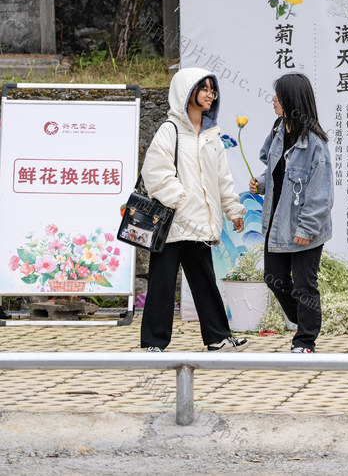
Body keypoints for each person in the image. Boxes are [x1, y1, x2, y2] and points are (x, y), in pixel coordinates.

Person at [140, 67, 248, 353]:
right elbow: (154, 172)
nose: (210, 95)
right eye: (204, 89)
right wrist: (180, 198)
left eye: (213, 90)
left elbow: (222, 179)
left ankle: (218, 338)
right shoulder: (170, 130)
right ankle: (154, 343)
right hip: (173, 223)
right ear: (187, 92)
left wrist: (233, 210)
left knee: (205, 281)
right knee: (162, 283)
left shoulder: (213, 135)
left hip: (200, 224)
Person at [250, 73, 333, 354]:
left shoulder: (315, 144)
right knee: (273, 278)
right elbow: (275, 169)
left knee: (304, 284)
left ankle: (305, 341)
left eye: (279, 96)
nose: (273, 100)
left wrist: (306, 229)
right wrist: (261, 183)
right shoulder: (277, 130)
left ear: (292, 101)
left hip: (303, 227)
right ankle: (306, 320)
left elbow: (321, 194)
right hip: (277, 223)